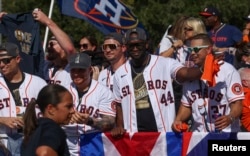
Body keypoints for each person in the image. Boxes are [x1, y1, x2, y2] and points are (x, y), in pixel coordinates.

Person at [112, 27, 203, 132]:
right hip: (135, 136)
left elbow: (185, 73)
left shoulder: (165, 63)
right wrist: (119, 126)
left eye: (138, 44)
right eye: (131, 45)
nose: (135, 48)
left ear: (146, 45)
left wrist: (202, 70)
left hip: (163, 132)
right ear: (126, 47)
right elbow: (119, 105)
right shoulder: (119, 74)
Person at [172, 34, 244, 133]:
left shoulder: (227, 70)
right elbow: (186, 105)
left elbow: (237, 103)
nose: (192, 53)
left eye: (196, 49)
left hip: (225, 135)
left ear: (209, 49)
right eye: (189, 50)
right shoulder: (191, 74)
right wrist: (178, 120)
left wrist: (230, 117)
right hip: (199, 136)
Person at [63, 52, 116, 156]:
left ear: (90, 69)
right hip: (66, 141)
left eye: (81, 70)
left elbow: (110, 122)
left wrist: (89, 120)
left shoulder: (103, 92)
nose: (76, 74)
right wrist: (65, 118)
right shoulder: (62, 90)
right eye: (74, 70)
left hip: (91, 143)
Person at [0, 42, 47, 155]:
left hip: (30, 139)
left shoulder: (38, 83)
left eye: (6, 60)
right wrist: (2, 120)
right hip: (2, 139)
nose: (1, 64)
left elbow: (50, 113)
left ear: (17, 59)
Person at [21, 84, 74, 156]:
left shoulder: (34, 128)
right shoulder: (52, 128)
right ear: (51, 109)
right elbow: (44, 152)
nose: (72, 111)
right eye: (68, 106)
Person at [32, 9, 76, 86]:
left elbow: (70, 49)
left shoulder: (72, 67)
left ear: (63, 47)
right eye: (49, 44)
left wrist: (47, 21)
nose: (49, 47)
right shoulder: (45, 66)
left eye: (53, 44)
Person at [98, 32, 127, 136]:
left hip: (127, 127)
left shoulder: (131, 70)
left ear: (123, 48)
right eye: (104, 47)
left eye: (112, 46)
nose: (108, 50)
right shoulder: (102, 74)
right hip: (107, 128)